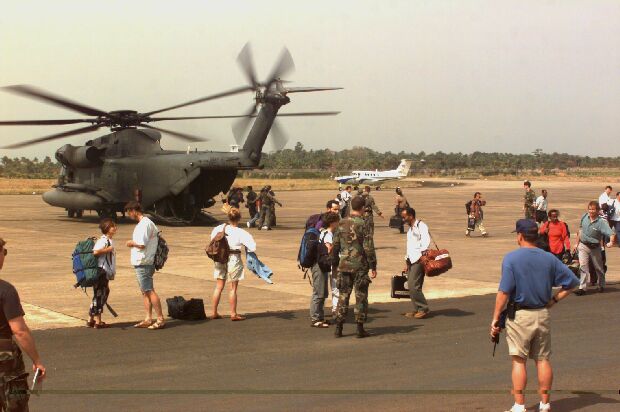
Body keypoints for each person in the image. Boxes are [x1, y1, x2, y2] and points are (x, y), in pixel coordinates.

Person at [490, 219, 579, 412]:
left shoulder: (511, 259)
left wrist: (496, 317)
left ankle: (519, 405)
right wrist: (554, 301)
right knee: (543, 359)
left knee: (518, 360)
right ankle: (545, 403)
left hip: (520, 315)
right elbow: (573, 282)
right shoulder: (548, 258)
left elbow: (504, 292)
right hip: (542, 313)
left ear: (520, 236)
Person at [0, 237, 46, 411]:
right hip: (4, 355)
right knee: (14, 403)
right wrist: (37, 360)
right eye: (3, 252)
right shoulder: (5, 290)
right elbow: (19, 331)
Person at [331, 196, 377, 338]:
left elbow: (335, 245)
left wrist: (334, 262)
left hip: (344, 265)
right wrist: (373, 265)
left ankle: (338, 328)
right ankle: (360, 328)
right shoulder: (363, 224)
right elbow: (368, 247)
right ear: (362, 208)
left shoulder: (341, 222)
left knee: (343, 296)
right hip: (359, 266)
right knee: (361, 296)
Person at [210, 208, 256, 321]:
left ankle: (214, 312)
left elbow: (212, 239)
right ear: (239, 218)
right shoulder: (241, 232)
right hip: (234, 258)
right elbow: (253, 247)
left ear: (228, 217)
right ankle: (233, 313)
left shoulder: (219, 228)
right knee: (233, 288)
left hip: (220, 257)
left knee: (219, 286)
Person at [125, 201, 165, 330]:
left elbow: (141, 244)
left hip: (144, 262)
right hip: (143, 262)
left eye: (129, 212)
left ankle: (160, 318)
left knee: (149, 290)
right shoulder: (145, 223)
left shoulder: (144, 224)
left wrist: (131, 243)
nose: (128, 215)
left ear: (134, 211)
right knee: (145, 291)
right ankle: (148, 318)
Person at [575, 201, 616, 295]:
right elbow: (580, 230)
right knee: (583, 267)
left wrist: (611, 242)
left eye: (593, 209)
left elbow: (611, 233)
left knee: (598, 268)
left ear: (597, 210)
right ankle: (582, 288)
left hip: (595, 248)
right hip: (583, 246)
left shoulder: (601, 222)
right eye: (590, 209)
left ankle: (601, 285)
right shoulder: (584, 217)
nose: (591, 211)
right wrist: (576, 243)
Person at [309, 212, 340, 328]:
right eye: (337, 221)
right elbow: (329, 250)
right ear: (333, 222)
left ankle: (320, 317)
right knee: (318, 292)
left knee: (322, 292)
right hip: (320, 265)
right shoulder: (328, 235)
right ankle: (315, 319)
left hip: (321, 264)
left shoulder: (323, 232)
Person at [400, 207, 431, 319]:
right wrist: (406, 262)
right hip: (411, 260)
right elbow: (410, 248)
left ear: (411, 216)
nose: (403, 219)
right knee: (411, 285)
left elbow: (426, 242)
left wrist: (423, 256)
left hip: (419, 259)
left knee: (413, 285)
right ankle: (417, 308)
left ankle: (423, 309)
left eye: (404, 217)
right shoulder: (410, 230)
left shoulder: (421, 226)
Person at [88, 218, 117, 329]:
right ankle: (98, 321)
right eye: (112, 226)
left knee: (99, 294)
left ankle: (91, 319)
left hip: (104, 271)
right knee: (100, 295)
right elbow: (95, 252)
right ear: (106, 229)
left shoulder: (109, 240)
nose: (115, 228)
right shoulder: (103, 241)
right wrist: (107, 250)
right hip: (101, 271)